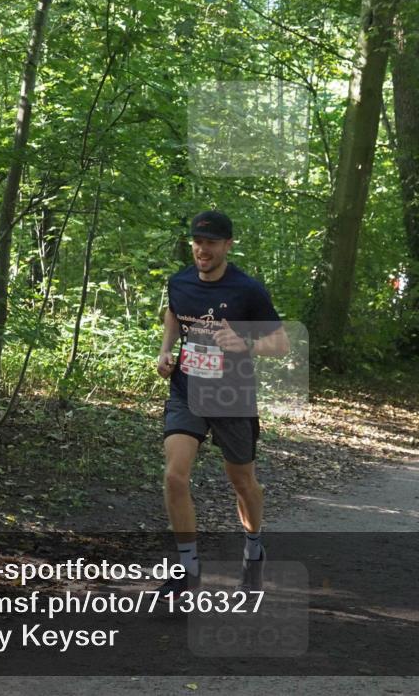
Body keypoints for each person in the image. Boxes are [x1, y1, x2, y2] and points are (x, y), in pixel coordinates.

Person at [155, 210, 290, 597]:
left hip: (232, 396)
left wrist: (245, 343)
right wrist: (166, 353)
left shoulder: (247, 290)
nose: (202, 250)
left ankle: (253, 549)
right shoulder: (179, 281)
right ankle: (188, 569)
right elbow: (174, 315)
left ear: (228, 245)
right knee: (174, 475)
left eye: (211, 243)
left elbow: (281, 344)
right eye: (198, 242)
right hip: (187, 391)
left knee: (241, 482)